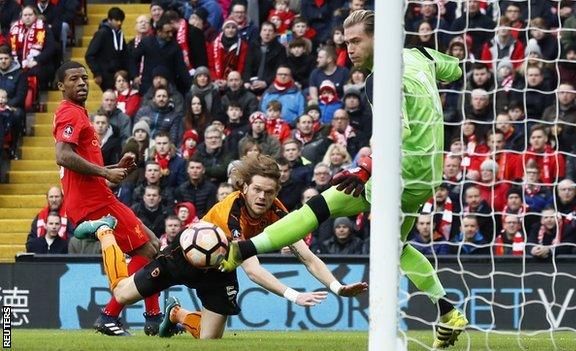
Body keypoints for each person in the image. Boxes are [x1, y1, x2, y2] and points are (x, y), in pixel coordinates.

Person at [219, 10, 468, 348]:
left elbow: (399, 130)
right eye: (346, 42)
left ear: (380, 37)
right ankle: (448, 310)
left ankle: (242, 250)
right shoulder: (419, 55)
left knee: (317, 208)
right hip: (427, 175)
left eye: (356, 40)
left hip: (400, 173)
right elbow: (454, 69)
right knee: (397, 246)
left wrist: (366, 167)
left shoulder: (381, 80)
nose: (349, 48)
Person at [72, 154, 366, 340]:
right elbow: (251, 269)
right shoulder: (232, 213)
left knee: (210, 339)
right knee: (122, 292)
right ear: (244, 187)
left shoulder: (277, 212)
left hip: (220, 270)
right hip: (185, 255)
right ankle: (104, 231)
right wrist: (293, 294)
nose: (263, 196)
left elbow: (307, 256)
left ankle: (176, 315)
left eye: (269, 191)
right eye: (257, 189)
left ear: (276, 191)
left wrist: (337, 287)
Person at [53, 61, 162, 337]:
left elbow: (80, 166)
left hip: (98, 196)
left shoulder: (79, 114)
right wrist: (104, 172)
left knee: (153, 244)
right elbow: (62, 155)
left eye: (84, 78)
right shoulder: (70, 114)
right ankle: (111, 315)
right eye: (74, 79)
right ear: (60, 86)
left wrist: (115, 168)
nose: (80, 83)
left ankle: (153, 318)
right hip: (95, 204)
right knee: (148, 251)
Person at [85, 7, 129, 91]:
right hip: (105, 76)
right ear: (109, 20)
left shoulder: (120, 34)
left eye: (121, 20)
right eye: (116, 20)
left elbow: (125, 55)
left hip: (119, 76)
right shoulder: (101, 33)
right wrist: (97, 73)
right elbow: (89, 55)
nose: (119, 23)